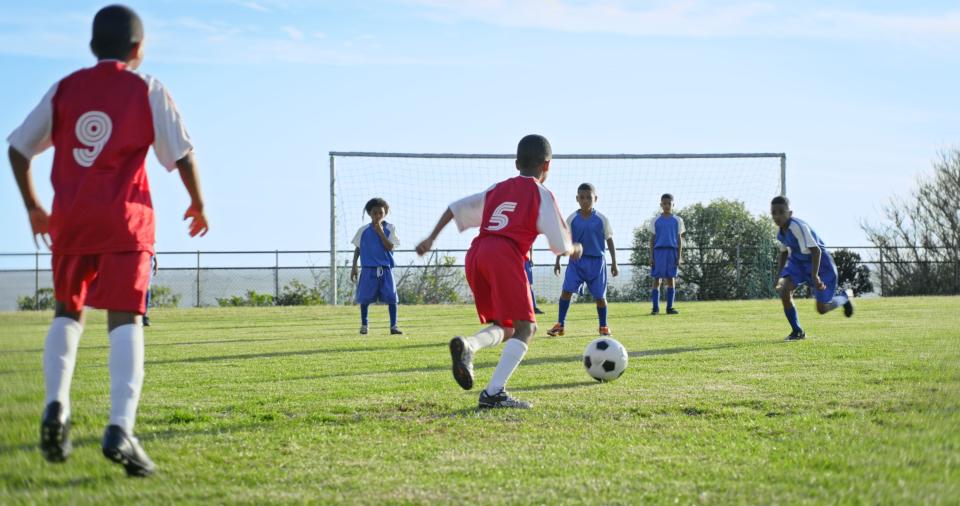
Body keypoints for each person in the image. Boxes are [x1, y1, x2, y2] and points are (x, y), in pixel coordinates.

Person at [7, 5, 208, 477]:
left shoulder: (65, 88)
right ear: (138, 49)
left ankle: (56, 405)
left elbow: (17, 148)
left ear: (92, 46)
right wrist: (198, 203)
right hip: (126, 223)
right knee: (125, 320)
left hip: (71, 221)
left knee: (67, 311)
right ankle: (121, 428)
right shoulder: (147, 88)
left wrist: (35, 207)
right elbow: (182, 152)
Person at [415, 134, 581, 409]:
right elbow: (561, 246)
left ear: (516, 163)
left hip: (477, 253)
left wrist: (431, 238)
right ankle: (494, 393)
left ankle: (469, 345)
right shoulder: (541, 194)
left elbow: (454, 209)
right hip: (504, 255)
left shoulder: (497, 188)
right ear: (548, 166)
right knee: (527, 327)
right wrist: (576, 248)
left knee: (506, 326)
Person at [771, 196, 854, 340]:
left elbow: (816, 251)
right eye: (773, 213)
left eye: (781, 212)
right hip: (798, 263)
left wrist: (815, 276)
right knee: (785, 291)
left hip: (821, 265)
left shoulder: (797, 227)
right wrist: (778, 276)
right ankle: (797, 332)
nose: (777, 216)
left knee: (822, 309)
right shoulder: (781, 233)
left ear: (790, 213)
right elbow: (784, 252)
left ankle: (845, 297)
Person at [546, 183, 618, 336]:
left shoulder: (602, 219)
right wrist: (558, 262)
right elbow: (564, 241)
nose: (585, 200)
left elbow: (609, 240)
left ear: (595, 199)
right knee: (566, 292)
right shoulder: (572, 219)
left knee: (600, 297)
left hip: (597, 263)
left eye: (589, 198)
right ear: (577, 199)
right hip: (576, 263)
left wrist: (614, 262)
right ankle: (560, 324)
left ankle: (603, 326)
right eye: (582, 198)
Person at [351, 198, 402, 335]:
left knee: (391, 298)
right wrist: (354, 266)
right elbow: (358, 249)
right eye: (375, 213)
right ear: (370, 214)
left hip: (385, 269)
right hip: (368, 270)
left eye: (381, 212)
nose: (378, 216)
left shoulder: (390, 228)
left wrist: (380, 232)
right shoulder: (363, 230)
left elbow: (390, 247)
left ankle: (394, 326)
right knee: (365, 299)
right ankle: (364, 325)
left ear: (385, 213)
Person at [649, 193, 684, 315]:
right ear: (661, 205)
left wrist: (679, 256)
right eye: (664, 203)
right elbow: (652, 239)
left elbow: (679, 239)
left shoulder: (678, 220)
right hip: (659, 252)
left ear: (673, 204)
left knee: (671, 279)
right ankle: (655, 308)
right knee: (656, 280)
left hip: (672, 251)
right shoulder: (655, 220)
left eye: (669, 203)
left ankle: (670, 307)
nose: (667, 205)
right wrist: (651, 256)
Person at [525, 247, 545, 315]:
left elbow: (530, 245)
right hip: (517, 260)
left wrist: (531, 258)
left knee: (529, 285)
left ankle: (534, 307)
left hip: (526, 261)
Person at [142, 254, 157, 327]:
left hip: (148, 258)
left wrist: (156, 261)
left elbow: (152, 245)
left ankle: (144, 316)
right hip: (134, 256)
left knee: (147, 287)